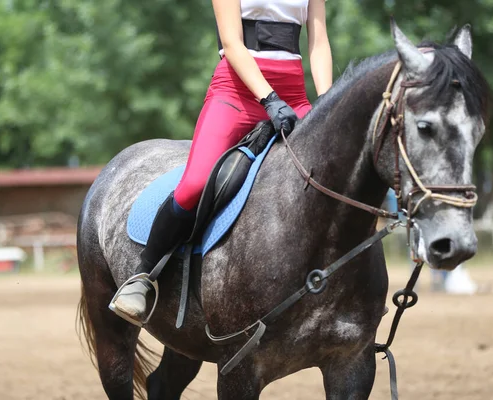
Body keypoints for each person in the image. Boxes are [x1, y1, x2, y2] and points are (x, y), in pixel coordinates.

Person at [110, 0, 333, 326]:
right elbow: (231, 43)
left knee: (333, 172)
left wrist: (326, 100)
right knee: (195, 184)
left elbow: (319, 41)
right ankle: (143, 276)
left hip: (294, 96)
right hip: (237, 93)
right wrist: (268, 98)